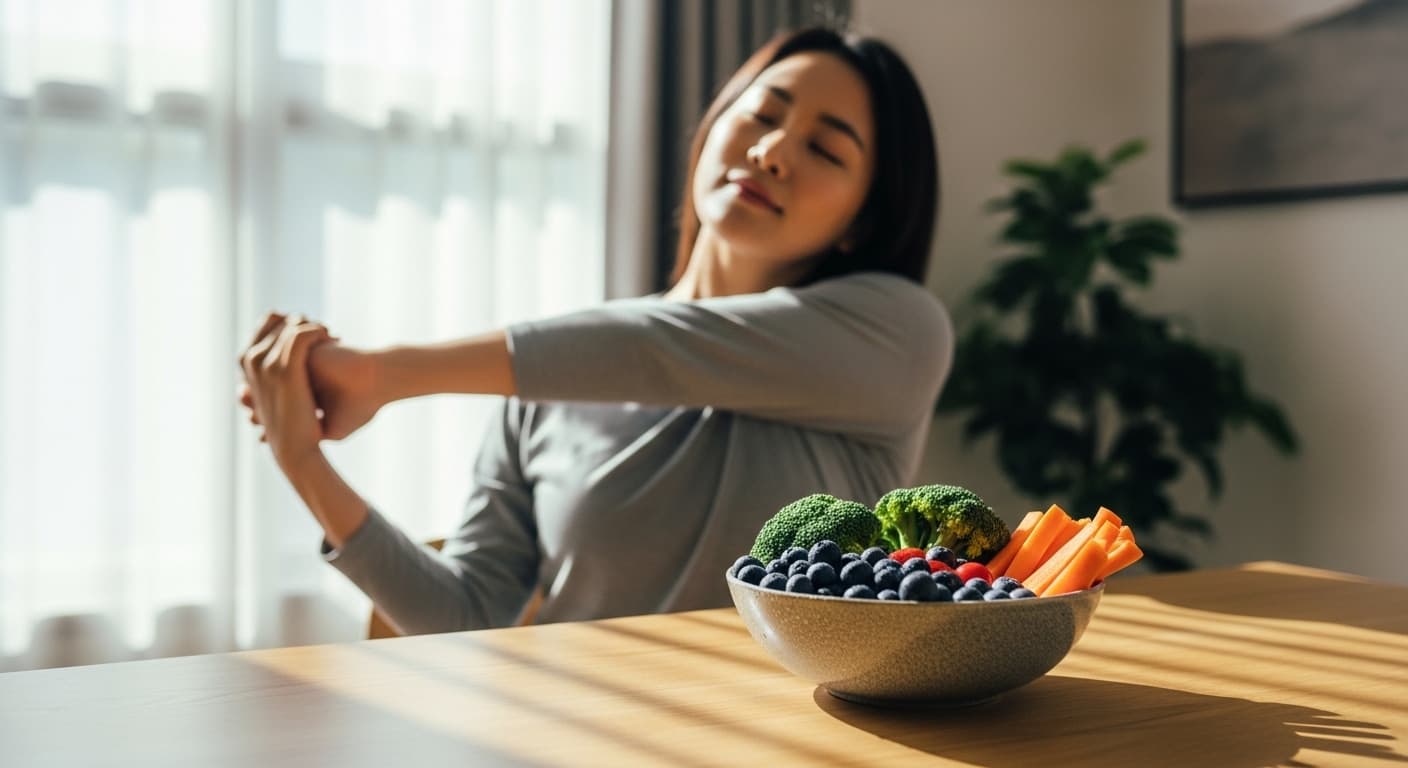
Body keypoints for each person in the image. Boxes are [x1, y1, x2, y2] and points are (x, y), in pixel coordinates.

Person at [239, 27, 950, 636]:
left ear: (864, 218)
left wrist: (384, 373)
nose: (773, 151)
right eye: (763, 113)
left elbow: (664, 352)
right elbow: (469, 617)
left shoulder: (897, 335)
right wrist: (304, 462)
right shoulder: (548, 380)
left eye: (827, 151)